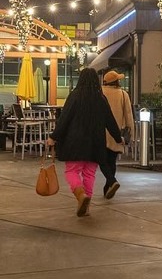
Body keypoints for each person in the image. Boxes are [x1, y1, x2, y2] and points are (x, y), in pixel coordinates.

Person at [46, 68, 123, 217]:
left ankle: (81, 196)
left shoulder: (74, 96)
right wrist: (119, 138)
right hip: (96, 145)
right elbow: (110, 121)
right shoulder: (101, 98)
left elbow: (64, 119)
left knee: (72, 171)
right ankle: (86, 208)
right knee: (89, 174)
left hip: (75, 143)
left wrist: (53, 136)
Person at [100, 70, 133, 199]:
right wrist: (130, 132)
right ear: (116, 82)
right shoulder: (123, 94)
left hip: (101, 132)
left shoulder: (100, 93)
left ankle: (111, 182)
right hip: (117, 133)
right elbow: (129, 115)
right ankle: (109, 184)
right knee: (112, 161)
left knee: (102, 160)